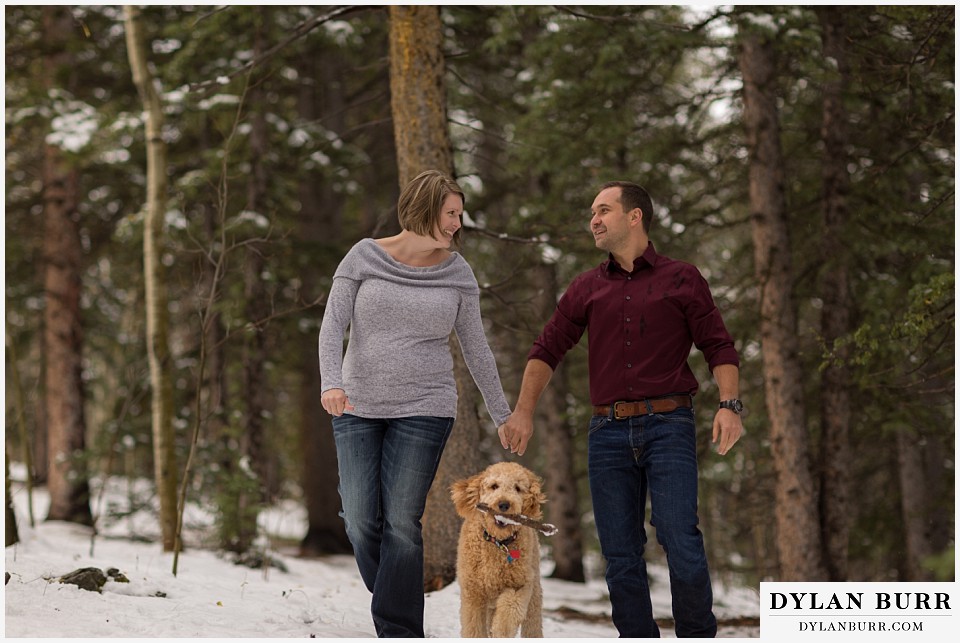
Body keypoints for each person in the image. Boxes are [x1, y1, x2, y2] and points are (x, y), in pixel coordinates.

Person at [499, 181, 743, 638]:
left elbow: (719, 345)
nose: (594, 219)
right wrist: (523, 412)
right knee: (620, 551)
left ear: (635, 217)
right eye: (592, 211)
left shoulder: (682, 278)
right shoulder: (586, 287)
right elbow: (547, 348)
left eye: (604, 210)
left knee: (678, 535)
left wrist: (729, 405)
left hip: (669, 424)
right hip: (606, 432)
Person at [318, 169, 512, 638]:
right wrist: (331, 382)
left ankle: (399, 629)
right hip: (357, 404)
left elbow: (476, 347)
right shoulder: (363, 256)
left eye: (459, 215)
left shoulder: (457, 270)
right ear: (425, 210)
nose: (457, 223)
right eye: (451, 213)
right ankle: (394, 589)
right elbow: (331, 325)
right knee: (361, 519)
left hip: (426, 406)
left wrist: (502, 412)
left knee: (403, 519)